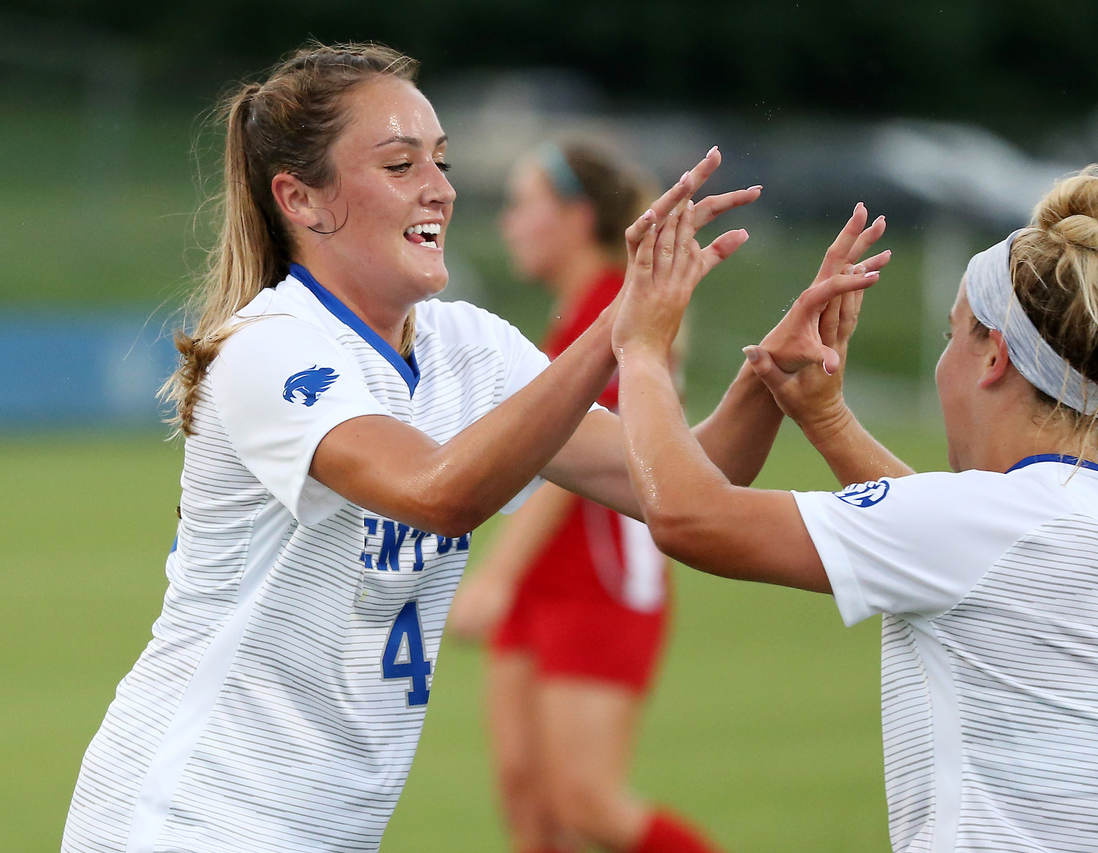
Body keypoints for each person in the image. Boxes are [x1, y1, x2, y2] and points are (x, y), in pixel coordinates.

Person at [58, 42, 854, 853]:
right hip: (190, 816)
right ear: (301, 198)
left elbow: (692, 479)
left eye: (439, 160)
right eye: (400, 164)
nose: (439, 187)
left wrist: (771, 375)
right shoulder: (270, 347)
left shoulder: (468, 344)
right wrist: (618, 332)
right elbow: (435, 491)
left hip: (321, 828)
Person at [609, 165, 1098, 852]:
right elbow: (971, 567)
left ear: (994, 360)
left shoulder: (980, 526)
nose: (944, 361)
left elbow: (689, 515)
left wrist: (643, 348)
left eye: (955, 336)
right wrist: (828, 421)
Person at [449, 141, 701, 853]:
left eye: (524, 205)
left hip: (601, 578)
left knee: (586, 803)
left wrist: (494, 574)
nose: (508, 224)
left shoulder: (621, 312)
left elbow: (575, 461)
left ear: (575, 216)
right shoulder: (568, 321)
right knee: (528, 804)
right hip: (542, 580)